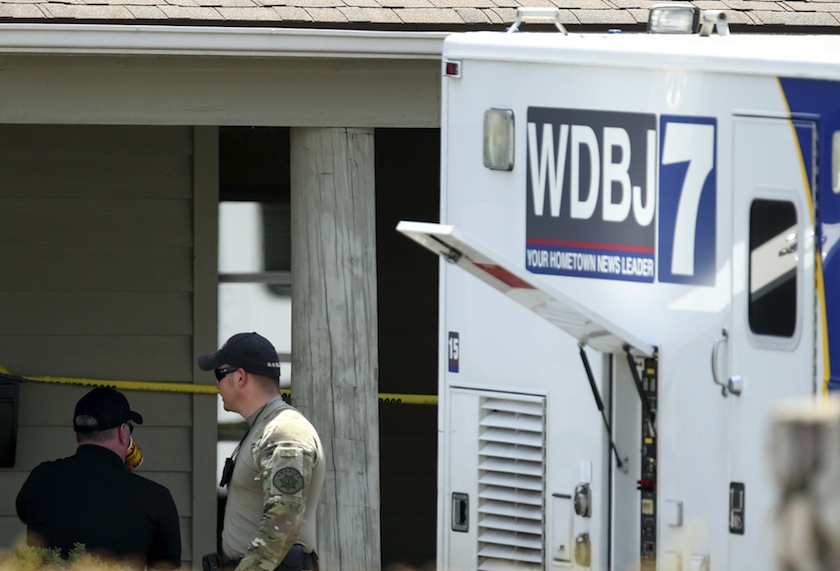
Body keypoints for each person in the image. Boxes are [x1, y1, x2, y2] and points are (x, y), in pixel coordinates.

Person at [16, 386, 182, 570]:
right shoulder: (155, 497)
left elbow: (27, 514)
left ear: (76, 434)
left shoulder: (40, 477)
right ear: (123, 433)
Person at [199, 332, 324, 571]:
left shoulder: (284, 431)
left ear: (240, 377)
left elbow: (283, 520)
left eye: (219, 375)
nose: (217, 385)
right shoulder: (266, 427)